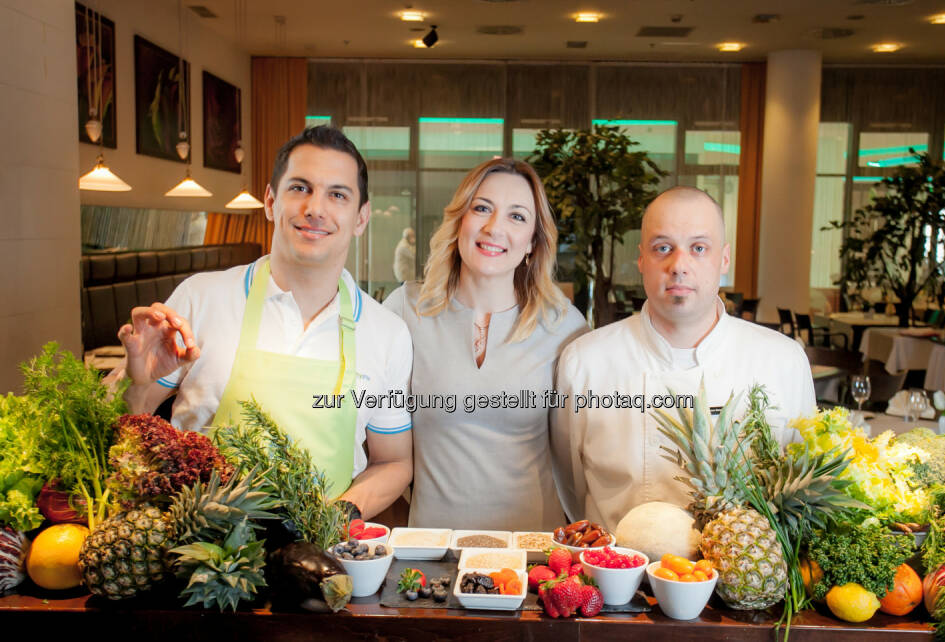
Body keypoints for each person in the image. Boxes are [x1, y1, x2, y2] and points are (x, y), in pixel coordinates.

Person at [105, 126, 413, 520]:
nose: (315, 208)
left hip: (320, 562)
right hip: (195, 562)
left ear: (361, 217)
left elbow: (393, 463)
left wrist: (334, 520)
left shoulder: (387, 332)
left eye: (337, 194)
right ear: (270, 200)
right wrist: (140, 382)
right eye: (299, 188)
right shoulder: (200, 298)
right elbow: (125, 423)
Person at [551, 186, 815, 529]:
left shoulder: (783, 360)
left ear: (724, 258)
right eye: (663, 248)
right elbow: (570, 485)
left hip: (743, 578)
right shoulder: (584, 363)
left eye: (698, 248)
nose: (679, 266)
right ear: (641, 259)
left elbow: (802, 486)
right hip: (614, 575)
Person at [384, 158, 588, 531]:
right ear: (460, 219)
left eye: (517, 217)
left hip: (533, 558)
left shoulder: (565, 327)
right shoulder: (403, 311)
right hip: (430, 553)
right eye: (482, 208)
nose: (495, 228)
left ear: (532, 242)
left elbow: (582, 458)